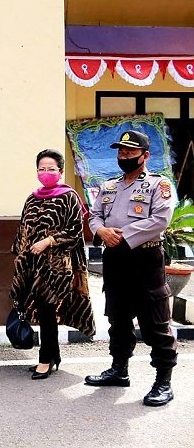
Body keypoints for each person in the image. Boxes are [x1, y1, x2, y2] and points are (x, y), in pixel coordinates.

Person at [85, 130, 177, 406]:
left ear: (145, 155)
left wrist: (121, 236)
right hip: (115, 260)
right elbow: (94, 215)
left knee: (155, 322)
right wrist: (101, 231)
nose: (123, 156)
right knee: (118, 317)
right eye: (121, 151)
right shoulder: (109, 186)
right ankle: (119, 370)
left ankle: (163, 381)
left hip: (145, 259)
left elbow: (160, 220)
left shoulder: (158, 185)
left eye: (130, 152)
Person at [10, 149, 95, 380]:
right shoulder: (32, 198)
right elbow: (23, 230)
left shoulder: (69, 197)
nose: (45, 172)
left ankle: (45, 360)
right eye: (41, 169)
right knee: (41, 310)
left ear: (60, 171)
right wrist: (19, 258)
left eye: (51, 169)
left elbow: (75, 232)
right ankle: (53, 356)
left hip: (57, 267)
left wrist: (48, 241)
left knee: (47, 311)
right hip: (32, 264)